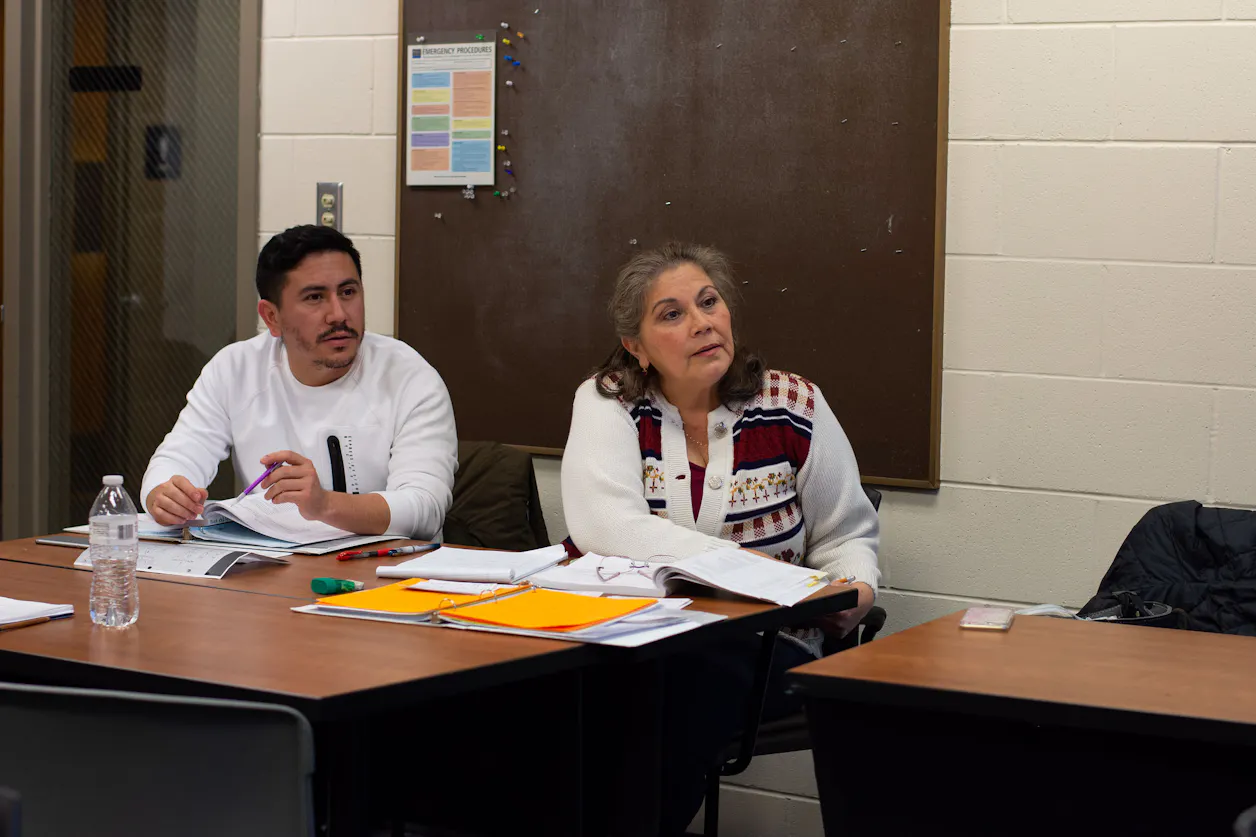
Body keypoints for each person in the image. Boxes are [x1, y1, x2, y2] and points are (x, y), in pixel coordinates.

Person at [561, 242, 879, 834]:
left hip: (765, 649)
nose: (703, 322)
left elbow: (847, 534)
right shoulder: (610, 400)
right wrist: (748, 571)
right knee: (601, 687)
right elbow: (605, 526)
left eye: (710, 302)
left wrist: (854, 589)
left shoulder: (792, 403)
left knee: (672, 681)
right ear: (636, 346)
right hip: (631, 642)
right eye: (672, 313)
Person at [141, 224, 457, 539]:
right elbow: (177, 458)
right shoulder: (235, 369)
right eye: (315, 297)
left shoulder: (410, 378)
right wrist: (165, 496)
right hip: (272, 566)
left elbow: (424, 509)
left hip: (385, 574)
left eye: (348, 292)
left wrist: (325, 505)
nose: (338, 314)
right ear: (271, 318)